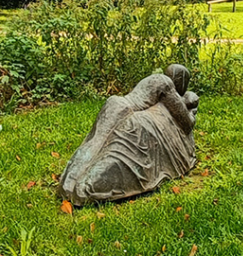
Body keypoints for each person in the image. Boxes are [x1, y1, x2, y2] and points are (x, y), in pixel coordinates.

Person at [58, 64, 198, 206]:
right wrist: (191, 112)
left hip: (115, 104)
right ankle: (82, 190)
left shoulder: (154, 79)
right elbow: (185, 121)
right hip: (127, 110)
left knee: (95, 142)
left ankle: (68, 184)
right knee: (100, 143)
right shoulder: (166, 84)